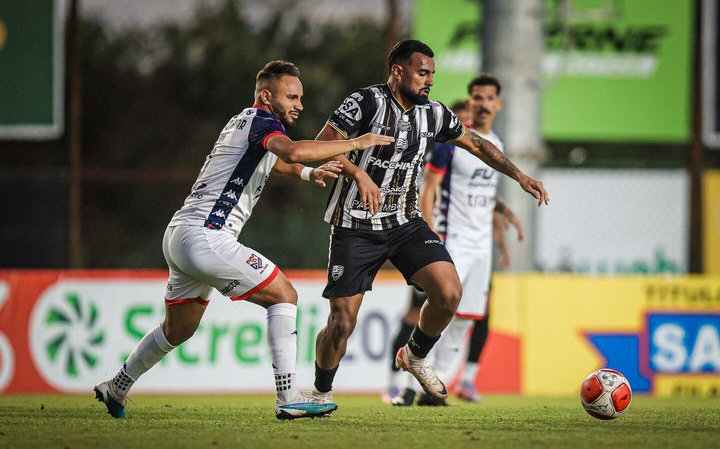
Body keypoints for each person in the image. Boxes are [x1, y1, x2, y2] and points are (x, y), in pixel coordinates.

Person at [93, 60, 394, 420]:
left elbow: (276, 162)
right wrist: (358, 142)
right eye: (292, 96)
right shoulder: (263, 121)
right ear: (267, 96)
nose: (299, 104)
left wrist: (307, 173)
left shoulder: (245, 122)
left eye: (301, 97)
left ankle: (118, 386)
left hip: (180, 235)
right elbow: (292, 151)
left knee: (179, 329)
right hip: (207, 236)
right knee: (285, 295)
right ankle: (288, 397)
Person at [305, 40, 549, 413]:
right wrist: (357, 173)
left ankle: (415, 356)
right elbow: (322, 145)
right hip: (355, 225)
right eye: (423, 73)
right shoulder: (365, 102)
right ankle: (321, 393)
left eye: (433, 74)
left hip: (404, 222)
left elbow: (479, 146)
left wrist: (519, 175)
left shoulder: (433, 114)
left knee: (450, 293)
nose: (430, 81)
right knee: (342, 321)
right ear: (398, 71)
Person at [390, 74, 524, 406]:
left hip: (481, 246)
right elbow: (431, 188)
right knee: (440, 309)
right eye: (476, 97)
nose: (482, 103)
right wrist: (429, 230)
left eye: (488, 98)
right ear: (471, 101)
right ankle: (408, 383)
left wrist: (504, 209)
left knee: (466, 321)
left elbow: (482, 192)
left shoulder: (498, 146)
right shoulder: (454, 144)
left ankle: (434, 390)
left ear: (498, 104)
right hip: (454, 239)